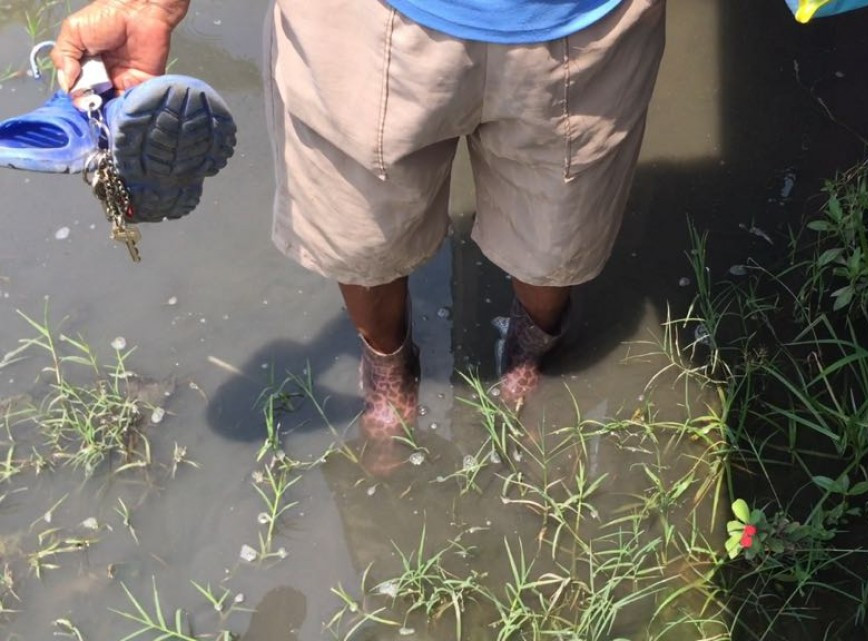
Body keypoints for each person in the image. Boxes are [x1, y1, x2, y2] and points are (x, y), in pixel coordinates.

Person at [52, 0, 666, 471]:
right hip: (362, 23)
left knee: (556, 242)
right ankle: (388, 366)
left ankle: (530, 345)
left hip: (589, 21)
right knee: (360, 239)